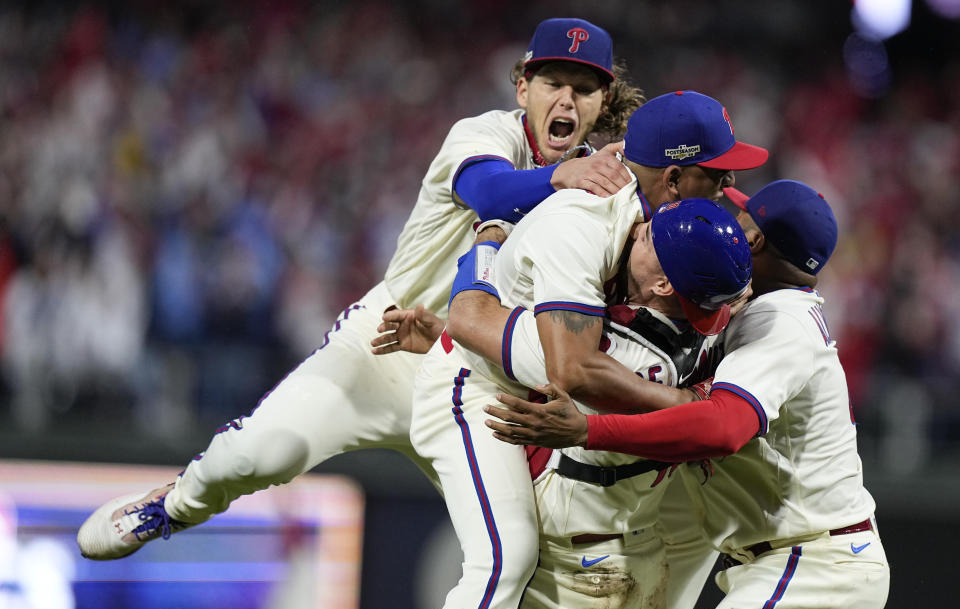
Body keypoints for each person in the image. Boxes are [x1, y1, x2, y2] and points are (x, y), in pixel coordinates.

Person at [75, 17, 644, 560]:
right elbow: (492, 192)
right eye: (552, 82)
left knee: (522, 555)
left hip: (478, 384)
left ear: (602, 102)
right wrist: (560, 176)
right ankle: (174, 504)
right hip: (383, 348)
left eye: (583, 88)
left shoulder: (600, 188)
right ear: (523, 86)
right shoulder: (483, 134)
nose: (566, 100)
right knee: (261, 454)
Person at [409, 90, 768, 609]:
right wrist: (685, 407)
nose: (726, 188)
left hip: (530, 361)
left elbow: (483, 318)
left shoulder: (667, 230)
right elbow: (567, 368)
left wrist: (483, 253)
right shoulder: (589, 218)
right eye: (715, 173)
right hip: (476, 383)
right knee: (504, 557)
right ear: (670, 180)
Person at [484, 180, 890, 609]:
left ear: (753, 240)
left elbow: (724, 427)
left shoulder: (780, 322)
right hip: (795, 556)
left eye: (742, 218)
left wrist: (589, 432)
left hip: (813, 562)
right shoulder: (747, 309)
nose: (731, 222)